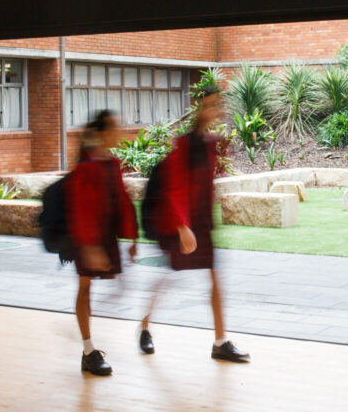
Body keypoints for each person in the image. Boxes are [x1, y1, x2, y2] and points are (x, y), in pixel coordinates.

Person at [139, 85, 250, 363]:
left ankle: (220, 341)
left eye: (217, 105)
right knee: (169, 276)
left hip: (201, 221)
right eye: (209, 105)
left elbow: (204, 185)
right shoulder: (184, 144)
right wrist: (181, 226)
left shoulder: (210, 143)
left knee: (214, 276)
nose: (214, 110)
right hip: (181, 222)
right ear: (200, 108)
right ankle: (144, 327)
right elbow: (174, 189)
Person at [67, 110, 138, 376]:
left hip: (105, 237)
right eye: (114, 128)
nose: (119, 132)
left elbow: (122, 200)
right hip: (88, 239)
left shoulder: (111, 162)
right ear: (103, 133)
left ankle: (82, 333)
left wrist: (132, 237)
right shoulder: (86, 166)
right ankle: (88, 350)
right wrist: (89, 247)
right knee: (85, 288)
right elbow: (80, 210)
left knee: (118, 288)